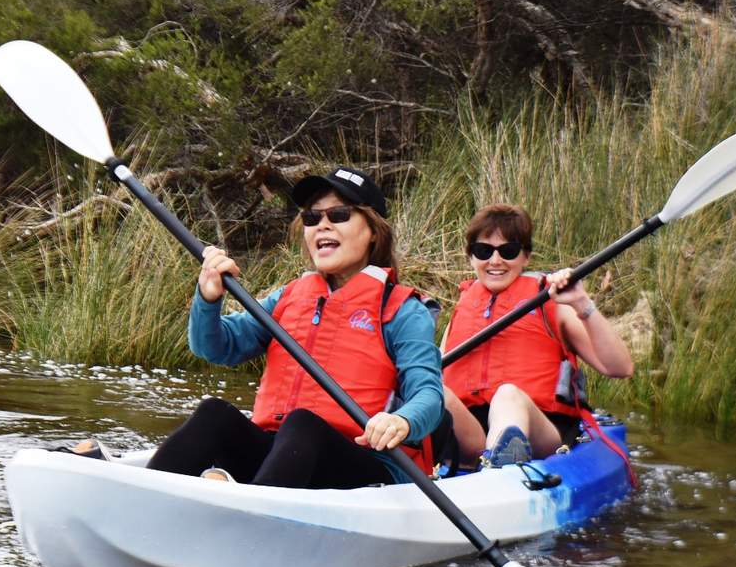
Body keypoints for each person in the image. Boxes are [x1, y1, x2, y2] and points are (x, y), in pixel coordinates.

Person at [143, 167, 443, 488]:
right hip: (285, 454)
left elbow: (428, 394)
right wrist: (208, 297)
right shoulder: (287, 297)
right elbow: (215, 347)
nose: (322, 224)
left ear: (373, 231)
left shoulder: (403, 310)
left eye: (339, 214)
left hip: (363, 463)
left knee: (303, 424)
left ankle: (253, 517)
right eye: (312, 218)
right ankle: (139, 496)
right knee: (214, 415)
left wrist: (401, 420)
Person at [441, 203, 633, 467]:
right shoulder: (463, 307)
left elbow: (620, 367)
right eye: (483, 251)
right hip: (472, 433)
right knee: (433, 391)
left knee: (508, 395)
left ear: (525, 257)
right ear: (471, 256)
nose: (495, 261)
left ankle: (503, 468)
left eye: (508, 251)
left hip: (540, 429)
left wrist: (581, 302)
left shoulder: (552, 303)